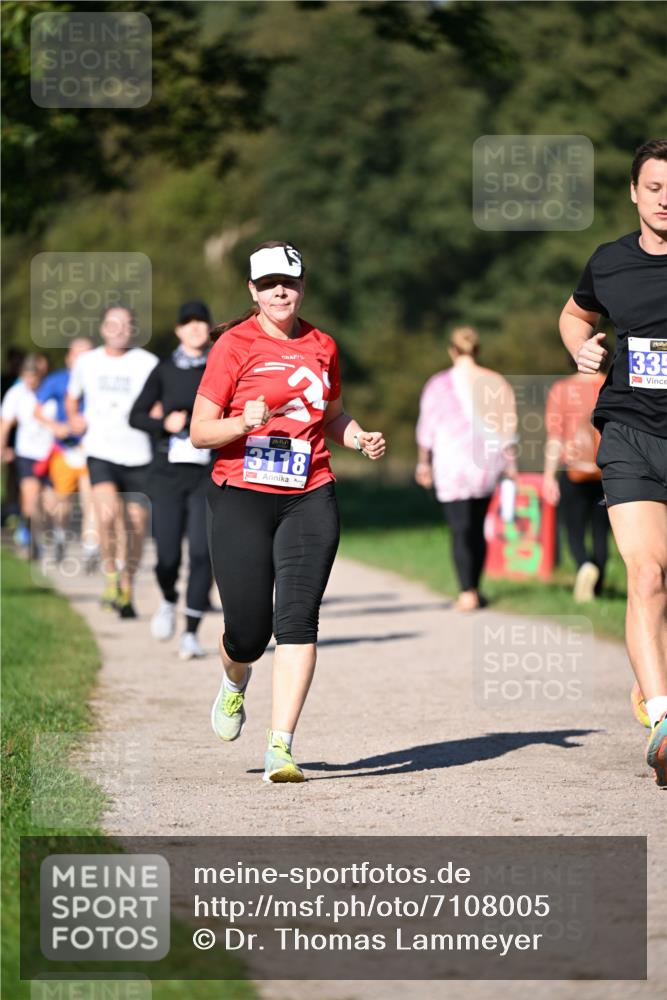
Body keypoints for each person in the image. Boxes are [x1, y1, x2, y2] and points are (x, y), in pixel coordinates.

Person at [190, 241, 385, 782]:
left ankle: (282, 747)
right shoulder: (233, 345)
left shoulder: (323, 345)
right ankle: (234, 682)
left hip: (309, 492)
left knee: (298, 619)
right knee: (249, 633)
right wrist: (241, 424)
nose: (282, 290)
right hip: (241, 494)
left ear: (303, 287)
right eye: (270, 282)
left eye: (291, 281)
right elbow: (199, 431)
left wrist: (358, 436)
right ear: (252, 291)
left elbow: (333, 416)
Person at [558, 137, 667, 787]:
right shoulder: (609, 262)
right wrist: (582, 350)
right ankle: (662, 720)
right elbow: (572, 316)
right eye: (653, 188)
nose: (665, 200)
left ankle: (651, 671)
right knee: (647, 574)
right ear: (633, 192)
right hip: (627, 430)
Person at [129, 300, 214, 660]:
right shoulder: (164, 370)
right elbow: (135, 416)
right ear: (178, 330)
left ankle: (191, 633)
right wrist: (164, 424)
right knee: (167, 557)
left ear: (209, 328)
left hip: (208, 474)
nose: (195, 328)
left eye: (201, 322)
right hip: (167, 474)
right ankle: (167, 598)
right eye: (187, 323)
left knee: (201, 552)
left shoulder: (220, 367)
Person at [415, 326, 517, 610]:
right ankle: (476, 586)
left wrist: (424, 463)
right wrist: (511, 463)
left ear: (452, 350)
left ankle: (466, 591)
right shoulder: (495, 381)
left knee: (460, 528)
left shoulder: (438, 384)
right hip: (486, 463)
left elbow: (427, 428)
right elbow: (508, 426)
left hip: (451, 464)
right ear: (478, 350)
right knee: (477, 526)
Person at [65, 306, 158, 617]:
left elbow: (161, 398)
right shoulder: (87, 363)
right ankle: (110, 576)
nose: (118, 329)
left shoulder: (147, 363)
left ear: (132, 329)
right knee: (105, 516)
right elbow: (71, 397)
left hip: (139, 453)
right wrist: (74, 418)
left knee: (135, 525)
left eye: (125, 324)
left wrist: (158, 414)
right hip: (100, 450)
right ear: (103, 328)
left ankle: (127, 583)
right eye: (112, 324)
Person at [542, 365, 609, 603]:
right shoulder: (612, 385)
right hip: (608, 470)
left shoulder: (562, 389)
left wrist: (549, 476)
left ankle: (584, 565)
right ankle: (598, 587)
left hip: (574, 471)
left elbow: (555, 437)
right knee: (601, 531)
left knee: (574, 529)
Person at [33, 337, 97, 567]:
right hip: (65, 450)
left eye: (88, 353)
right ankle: (60, 533)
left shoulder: (100, 378)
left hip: (92, 449)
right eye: (78, 354)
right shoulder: (57, 380)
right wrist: (56, 427)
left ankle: (91, 548)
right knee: (64, 502)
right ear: (69, 358)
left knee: (92, 501)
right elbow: (37, 411)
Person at [0, 354, 54, 558]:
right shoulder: (16, 393)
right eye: (27, 377)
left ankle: (48, 532)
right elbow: (5, 423)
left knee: (51, 502)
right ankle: (32, 539)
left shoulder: (50, 390)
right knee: (30, 498)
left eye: (35, 377)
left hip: (51, 453)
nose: (31, 382)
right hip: (27, 453)